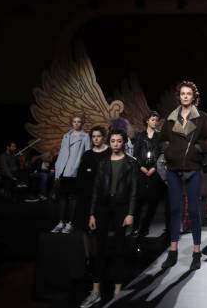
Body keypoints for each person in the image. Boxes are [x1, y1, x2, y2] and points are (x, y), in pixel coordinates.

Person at [159, 81, 207, 270]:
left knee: (194, 211)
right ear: (179, 96)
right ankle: (173, 251)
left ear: (193, 97)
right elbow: (163, 139)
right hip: (174, 170)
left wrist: (199, 148)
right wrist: (168, 150)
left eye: (188, 93)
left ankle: (196, 252)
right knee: (174, 210)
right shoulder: (170, 118)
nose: (185, 96)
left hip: (193, 169)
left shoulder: (202, 118)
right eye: (182, 93)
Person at [80, 129, 138, 308]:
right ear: (109, 142)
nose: (115, 144)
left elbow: (134, 191)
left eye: (119, 141)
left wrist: (130, 213)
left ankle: (117, 292)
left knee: (119, 249)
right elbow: (96, 189)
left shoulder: (131, 163)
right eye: (112, 141)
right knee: (100, 250)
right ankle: (96, 292)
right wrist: (91, 213)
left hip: (121, 208)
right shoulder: (103, 162)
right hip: (102, 208)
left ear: (124, 142)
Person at [51, 115, 91, 234]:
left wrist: (81, 169)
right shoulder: (66, 135)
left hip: (74, 170)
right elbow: (62, 152)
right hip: (62, 169)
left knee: (73, 198)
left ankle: (70, 223)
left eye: (79, 122)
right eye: (74, 122)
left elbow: (87, 153)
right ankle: (61, 222)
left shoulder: (85, 136)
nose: (76, 124)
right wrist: (57, 169)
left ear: (82, 123)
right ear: (71, 123)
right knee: (62, 198)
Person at [132, 112, 166, 238]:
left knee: (152, 202)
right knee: (139, 202)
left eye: (156, 120)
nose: (155, 122)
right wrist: (141, 167)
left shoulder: (159, 136)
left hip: (154, 171)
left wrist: (153, 168)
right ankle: (135, 228)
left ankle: (145, 227)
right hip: (141, 170)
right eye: (152, 119)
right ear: (147, 121)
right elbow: (135, 154)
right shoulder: (140, 136)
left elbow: (161, 154)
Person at [75, 126, 110, 233]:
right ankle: (88, 250)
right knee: (87, 230)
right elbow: (81, 177)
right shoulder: (87, 154)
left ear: (103, 137)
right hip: (88, 195)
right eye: (93, 136)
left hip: (105, 195)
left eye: (98, 136)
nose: (95, 139)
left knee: (102, 229)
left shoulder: (110, 152)